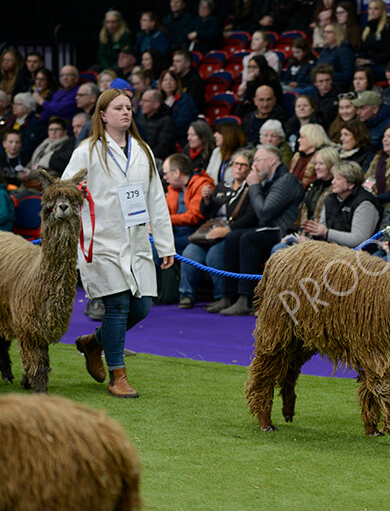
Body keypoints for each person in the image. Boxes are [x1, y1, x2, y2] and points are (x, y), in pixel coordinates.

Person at [66, 88, 175, 399]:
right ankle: (118, 376)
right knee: (118, 305)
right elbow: (65, 190)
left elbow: (156, 198)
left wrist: (166, 245)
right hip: (100, 239)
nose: (126, 112)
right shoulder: (86, 151)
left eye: (129, 107)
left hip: (137, 238)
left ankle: (93, 343)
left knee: (141, 307)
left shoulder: (143, 150)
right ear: (103, 115)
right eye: (118, 108)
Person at [213, 144, 304, 316]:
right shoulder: (271, 180)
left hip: (281, 232)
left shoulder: (286, 180)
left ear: (271, 161)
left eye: (257, 160)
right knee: (233, 237)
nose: (254, 165)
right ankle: (228, 295)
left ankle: (246, 299)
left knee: (249, 238)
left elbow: (264, 211)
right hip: (268, 228)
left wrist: (254, 185)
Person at [179, 151, 257, 309]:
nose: (239, 168)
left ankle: (222, 297)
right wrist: (206, 200)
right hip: (211, 229)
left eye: (244, 165)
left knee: (214, 256)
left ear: (250, 168)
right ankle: (187, 294)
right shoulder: (223, 185)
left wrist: (228, 229)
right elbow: (207, 213)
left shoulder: (252, 189)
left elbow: (252, 217)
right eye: (236, 164)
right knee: (190, 252)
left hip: (232, 232)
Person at [272, 147, 338, 254]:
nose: (316, 167)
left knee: (278, 250)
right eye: (316, 164)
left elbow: (332, 223)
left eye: (321, 164)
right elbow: (302, 214)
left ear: (331, 165)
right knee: (279, 248)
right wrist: (291, 234)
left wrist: (312, 240)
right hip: (303, 236)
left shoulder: (336, 190)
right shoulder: (313, 187)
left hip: (323, 241)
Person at [300, 160, 380, 248]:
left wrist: (326, 233)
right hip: (331, 250)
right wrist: (314, 232)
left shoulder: (365, 203)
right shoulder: (330, 199)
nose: (332, 182)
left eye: (338, 179)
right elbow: (322, 230)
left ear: (351, 183)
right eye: (333, 178)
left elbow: (359, 240)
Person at [162, 153, 214, 254]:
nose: (164, 177)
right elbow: (164, 210)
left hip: (196, 233)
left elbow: (194, 216)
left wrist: (165, 219)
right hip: (175, 231)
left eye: (166, 173)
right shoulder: (174, 187)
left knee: (159, 246)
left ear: (176, 173)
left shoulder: (202, 185)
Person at [18, 117, 72, 186]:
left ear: (64, 132)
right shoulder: (44, 144)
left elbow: (56, 173)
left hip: (44, 186)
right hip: (29, 182)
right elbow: (32, 163)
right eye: (50, 130)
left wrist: (31, 174)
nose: (53, 132)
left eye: (57, 130)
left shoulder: (66, 146)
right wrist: (21, 173)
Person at [356, 0, 390, 70]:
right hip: (368, 63)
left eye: (376, 9)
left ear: (382, 11)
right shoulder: (367, 28)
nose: (372, 12)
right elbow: (364, 50)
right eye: (370, 9)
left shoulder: (389, 28)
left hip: (383, 64)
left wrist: (370, 60)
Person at [158, 69, 197, 145]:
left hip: (179, 140)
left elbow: (184, 123)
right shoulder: (157, 100)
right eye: (165, 80)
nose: (168, 83)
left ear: (177, 82)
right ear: (161, 83)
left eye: (171, 80)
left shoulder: (185, 100)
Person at [137, 89, 176, 161]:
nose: (140, 104)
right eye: (141, 100)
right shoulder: (140, 119)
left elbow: (162, 149)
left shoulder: (167, 122)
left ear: (156, 104)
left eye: (145, 101)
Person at [11, 92, 46, 166]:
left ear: (28, 107)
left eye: (18, 104)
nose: (14, 106)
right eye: (14, 104)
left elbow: (29, 147)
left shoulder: (35, 124)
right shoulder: (11, 120)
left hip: (23, 161)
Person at [316, 22, 355, 87]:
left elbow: (347, 75)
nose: (325, 35)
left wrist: (327, 75)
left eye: (328, 32)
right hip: (320, 85)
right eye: (324, 32)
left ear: (337, 34)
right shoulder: (325, 51)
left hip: (337, 85)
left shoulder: (345, 51)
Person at [309, 64, 339, 129]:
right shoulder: (312, 98)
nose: (325, 84)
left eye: (327, 80)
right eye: (321, 81)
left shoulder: (338, 96)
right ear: (315, 83)